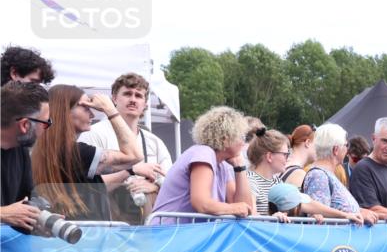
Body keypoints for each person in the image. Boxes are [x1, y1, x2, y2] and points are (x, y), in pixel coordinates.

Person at [31, 85, 142, 221]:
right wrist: (110, 110)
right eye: (86, 108)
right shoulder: (75, 152)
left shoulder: (47, 148)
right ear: (65, 111)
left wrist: (130, 171)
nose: (92, 114)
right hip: (85, 236)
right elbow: (135, 155)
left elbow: (95, 187)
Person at [79, 73, 172, 223]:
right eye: (127, 94)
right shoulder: (93, 134)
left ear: (145, 104)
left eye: (139, 95)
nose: (133, 99)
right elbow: (83, 187)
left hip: (147, 228)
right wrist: (126, 176)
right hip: (106, 224)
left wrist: (154, 187)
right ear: (114, 98)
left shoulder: (155, 143)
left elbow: (172, 184)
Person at [151, 106, 255, 223]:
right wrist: (234, 208)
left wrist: (240, 167)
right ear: (225, 139)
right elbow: (201, 203)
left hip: (186, 235)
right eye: (241, 137)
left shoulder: (222, 165)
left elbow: (245, 208)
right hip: (168, 234)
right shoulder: (203, 153)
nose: (243, 143)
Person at [301, 123, 377, 223]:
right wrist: (350, 215)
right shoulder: (319, 176)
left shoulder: (326, 174)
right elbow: (319, 219)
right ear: (335, 150)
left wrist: (361, 211)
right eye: (346, 145)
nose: (347, 149)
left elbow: (337, 208)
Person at [1, 82, 49, 231]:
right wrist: (2, 213)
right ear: (25, 125)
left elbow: (25, 198)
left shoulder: (20, 150)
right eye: (46, 123)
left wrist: (39, 218)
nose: (47, 129)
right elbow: (9, 213)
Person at [246, 127, 290, 216]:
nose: (287, 159)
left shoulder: (277, 181)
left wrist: (313, 215)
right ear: (269, 156)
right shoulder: (249, 180)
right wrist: (272, 219)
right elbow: (251, 215)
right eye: (285, 154)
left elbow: (301, 204)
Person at [280, 124, 316, 189]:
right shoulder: (298, 174)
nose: (318, 149)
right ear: (307, 143)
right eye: (316, 144)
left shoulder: (282, 166)